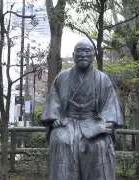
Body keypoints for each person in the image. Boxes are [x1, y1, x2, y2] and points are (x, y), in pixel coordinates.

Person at [40, 39, 124, 180]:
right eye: (79, 51)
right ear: (73, 55)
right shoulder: (62, 77)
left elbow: (110, 106)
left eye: (87, 51)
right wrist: (54, 119)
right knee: (60, 140)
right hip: (68, 122)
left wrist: (109, 121)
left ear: (93, 55)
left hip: (94, 122)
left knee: (100, 144)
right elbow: (54, 102)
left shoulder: (103, 79)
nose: (83, 54)